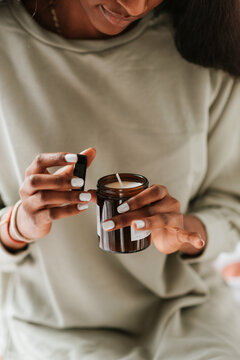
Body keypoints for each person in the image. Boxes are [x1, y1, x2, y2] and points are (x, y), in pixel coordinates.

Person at [0, 0, 240, 358]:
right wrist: (16, 226)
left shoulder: (206, 47)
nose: (134, 5)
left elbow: (230, 205)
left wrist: (186, 230)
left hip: (190, 317)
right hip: (56, 329)